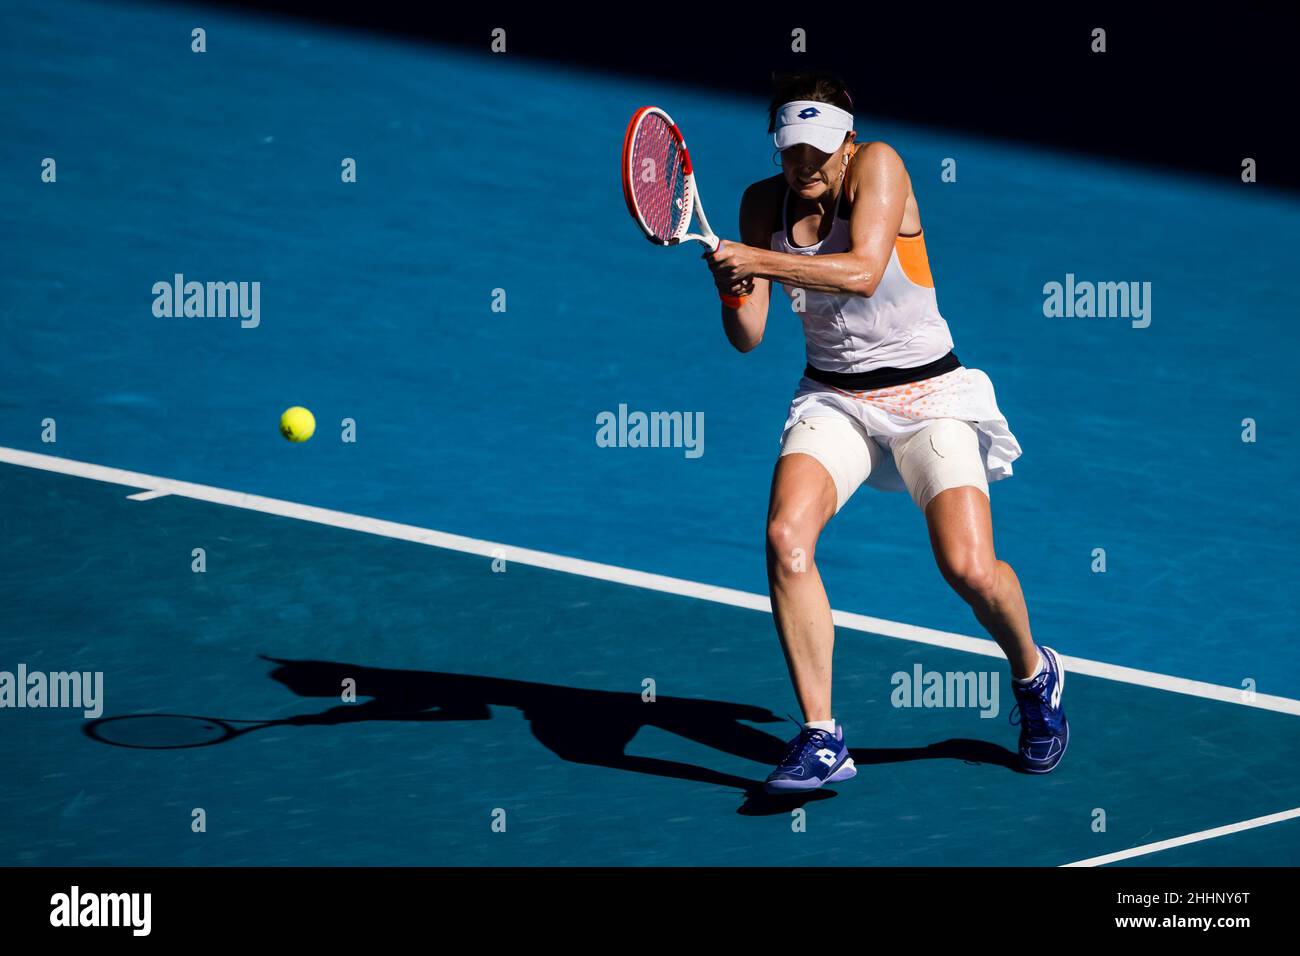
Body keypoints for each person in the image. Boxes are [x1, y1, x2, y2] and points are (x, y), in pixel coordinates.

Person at [704, 71, 1068, 793]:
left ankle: (1034, 672)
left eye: (817, 148)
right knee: (785, 539)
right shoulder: (759, 204)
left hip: (929, 396)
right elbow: (748, 336)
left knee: (968, 567)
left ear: (847, 143)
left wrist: (758, 261)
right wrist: (731, 279)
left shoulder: (881, 165)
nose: (802, 164)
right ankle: (821, 735)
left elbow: (865, 271)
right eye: (789, 150)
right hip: (833, 399)